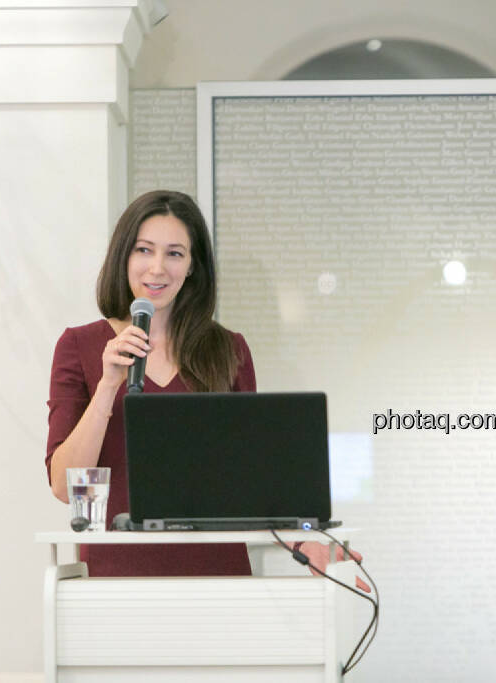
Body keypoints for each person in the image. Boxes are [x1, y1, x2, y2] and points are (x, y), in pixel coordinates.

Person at [46, 190, 353, 577]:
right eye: (144, 250)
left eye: (175, 253)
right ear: (123, 256)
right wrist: (108, 385)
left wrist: (305, 541)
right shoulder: (78, 346)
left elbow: (254, 483)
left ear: (192, 266)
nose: (157, 268)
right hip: (115, 580)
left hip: (217, 578)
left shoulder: (228, 349)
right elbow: (63, 485)